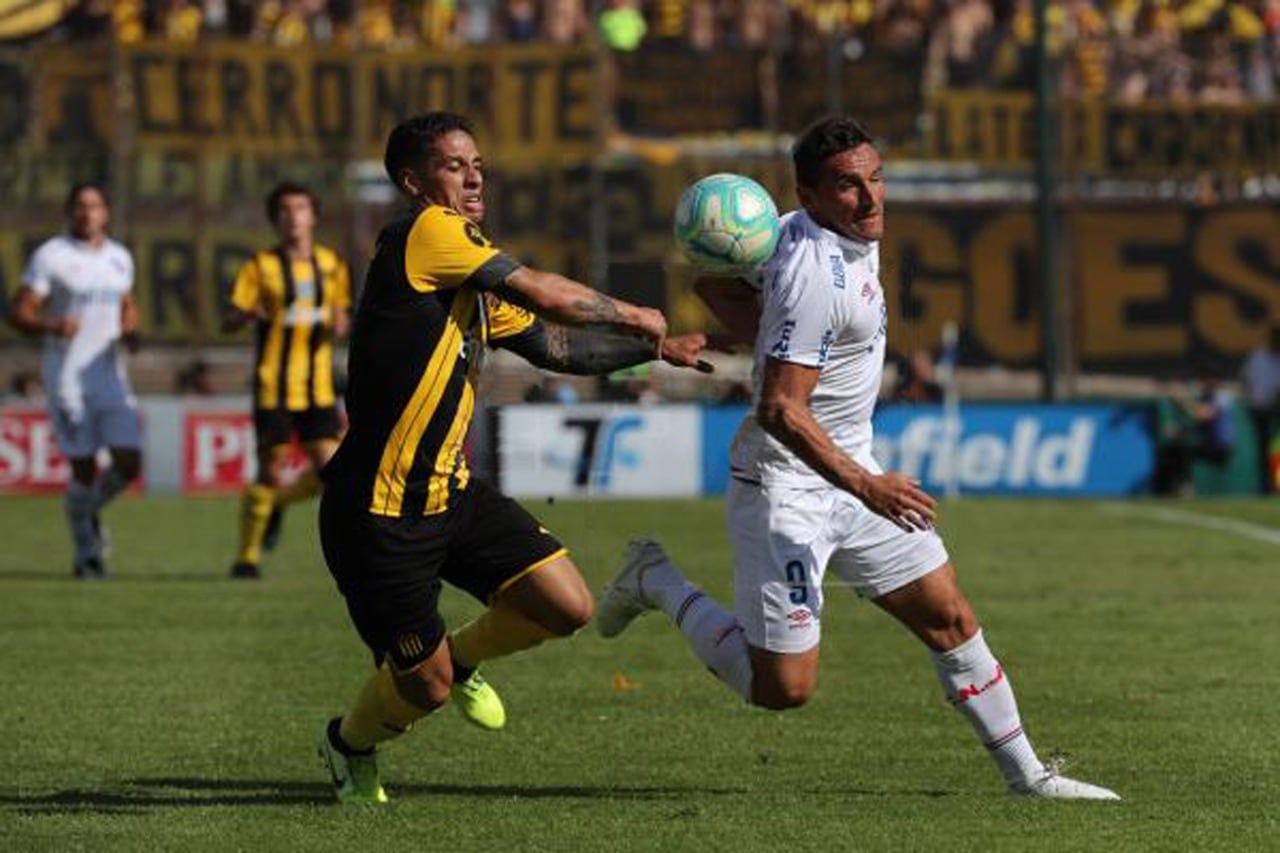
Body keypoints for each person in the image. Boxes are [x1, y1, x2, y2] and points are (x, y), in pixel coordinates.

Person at [597, 116, 1120, 800]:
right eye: (848, 186)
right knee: (782, 688)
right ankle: (656, 579)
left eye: (875, 178)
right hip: (787, 486)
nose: (871, 199)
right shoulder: (813, 276)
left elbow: (712, 281)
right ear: (809, 196)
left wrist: (764, 341)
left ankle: (1029, 777)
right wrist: (867, 484)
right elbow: (780, 409)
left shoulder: (804, 232)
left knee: (949, 616)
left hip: (851, 471)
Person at [315, 111, 709, 804]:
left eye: (477, 165)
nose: (473, 176)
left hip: (451, 493)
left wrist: (655, 351)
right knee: (423, 689)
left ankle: (464, 657)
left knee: (564, 604)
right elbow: (544, 292)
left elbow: (556, 348)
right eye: (453, 165)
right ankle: (348, 744)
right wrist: (633, 313)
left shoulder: (464, 274)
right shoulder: (428, 234)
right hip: (379, 513)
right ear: (414, 182)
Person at [9, 183, 142, 579]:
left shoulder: (120, 257)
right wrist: (51, 323)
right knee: (83, 469)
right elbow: (19, 312)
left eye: (95, 206)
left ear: (106, 213)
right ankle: (87, 552)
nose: (88, 214)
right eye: (80, 207)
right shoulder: (51, 257)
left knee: (129, 463)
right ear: (69, 212)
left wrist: (131, 330)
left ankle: (87, 513)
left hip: (111, 378)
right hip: (67, 378)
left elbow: (125, 303)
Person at [222, 182, 351, 580]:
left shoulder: (332, 265)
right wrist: (244, 316)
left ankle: (278, 503)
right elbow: (228, 320)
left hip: (318, 388)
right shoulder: (259, 267)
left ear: (313, 216)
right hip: (272, 386)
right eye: (284, 210)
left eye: (300, 208)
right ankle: (247, 559)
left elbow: (342, 317)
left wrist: (340, 322)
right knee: (270, 470)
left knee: (334, 472)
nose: (293, 216)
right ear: (275, 219)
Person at [1240, 327, 1280, 493]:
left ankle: (1276, 483)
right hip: (1261, 410)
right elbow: (1246, 379)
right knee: (1263, 450)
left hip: (1278, 410)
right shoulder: (1258, 357)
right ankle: (1267, 485)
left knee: (1276, 449)